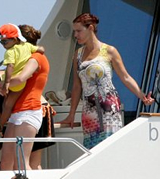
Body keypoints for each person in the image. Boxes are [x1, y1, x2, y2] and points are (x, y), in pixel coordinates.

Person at [58, 13, 154, 149]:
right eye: (74, 31)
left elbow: (125, 77)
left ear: (90, 28)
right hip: (88, 111)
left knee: (110, 147)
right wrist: (71, 114)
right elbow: (76, 86)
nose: (75, 35)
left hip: (109, 108)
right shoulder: (77, 55)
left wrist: (142, 96)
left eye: (79, 31)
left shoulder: (109, 51)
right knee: (91, 151)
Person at [0, 36, 50, 171]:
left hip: (30, 110)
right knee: (6, 163)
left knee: (22, 163)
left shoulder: (36, 58)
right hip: (18, 112)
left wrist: (3, 84)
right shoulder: (24, 60)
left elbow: (21, 79)